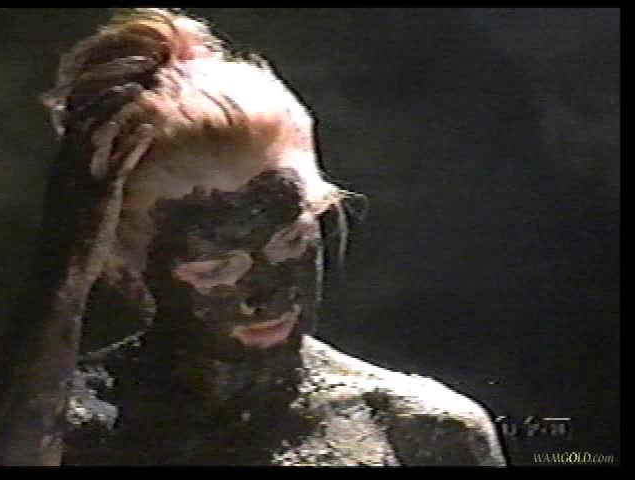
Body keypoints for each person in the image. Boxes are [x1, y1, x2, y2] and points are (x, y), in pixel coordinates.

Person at [40, 8, 507, 466]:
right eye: (215, 269)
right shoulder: (65, 431)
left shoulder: (419, 431)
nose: (266, 295)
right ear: (120, 268)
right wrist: (63, 270)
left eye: (291, 242)